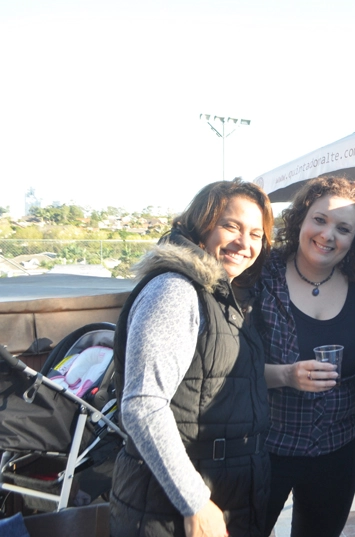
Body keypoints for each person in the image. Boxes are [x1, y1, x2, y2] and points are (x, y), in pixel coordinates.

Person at [110, 179, 273, 537]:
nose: (245, 244)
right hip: (171, 509)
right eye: (231, 226)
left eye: (256, 234)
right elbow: (142, 404)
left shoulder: (215, 293)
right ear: (201, 225)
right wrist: (195, 502)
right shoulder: (175, 290)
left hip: (225, 496)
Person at [255, 175, 355, 537]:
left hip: (340, 449)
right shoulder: (259, 276)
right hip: (265, 447)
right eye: (319, 220)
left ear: (354, 239)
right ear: (301, 219)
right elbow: (226, 367)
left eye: (343, 228)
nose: (328, 235)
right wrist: (287, 375)